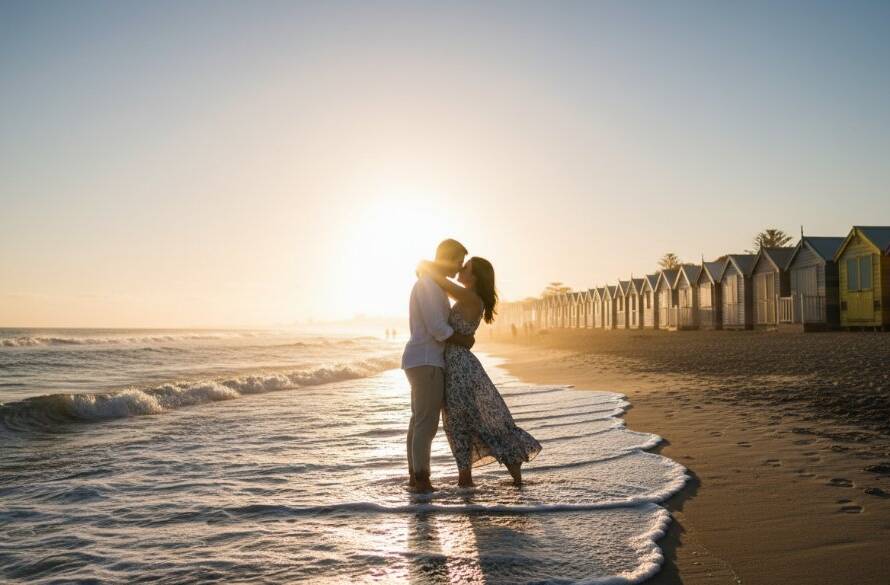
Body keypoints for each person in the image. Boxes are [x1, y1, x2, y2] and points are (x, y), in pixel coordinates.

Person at [417, 257, 541, 487]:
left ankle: (478, 474)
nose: (460, 270)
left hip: (460, 367)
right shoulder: (470, 297)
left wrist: (426, 265)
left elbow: (440, 281)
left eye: (465, 268)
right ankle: (471, 477)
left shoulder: (471, 297)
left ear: (474, 277)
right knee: (464, 421)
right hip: (458, 365)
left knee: (464, 421)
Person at [402, 239, 476, 493]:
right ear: (448, 257)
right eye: (458, 261)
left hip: (422, 360)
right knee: (426, 422)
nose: (459, 268)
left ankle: (415, 477)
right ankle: (421, 480)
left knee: (419, 420)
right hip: (426, 360)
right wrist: (464, 340)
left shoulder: (431, 283)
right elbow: (438, 329)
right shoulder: (429, 285)